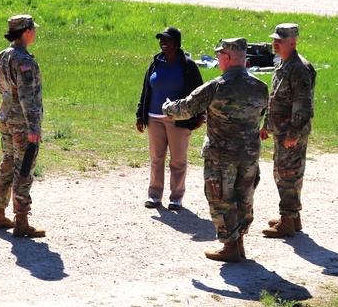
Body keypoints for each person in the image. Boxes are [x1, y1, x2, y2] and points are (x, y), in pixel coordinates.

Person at [163, 38, 268, 261]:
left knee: (220, 198)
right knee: (244, 197)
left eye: (220, 54)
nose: (218, 58)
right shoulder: (260, 87)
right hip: (249, 156)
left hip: (221, 156)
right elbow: (260, 116)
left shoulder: (217, 86)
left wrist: (166, 106)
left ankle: (230, 247)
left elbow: (186, 109)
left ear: (227, 57)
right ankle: (238, 243)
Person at [135, 27, 205, 211]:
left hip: (179, 119)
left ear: (177, 43)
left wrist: (200, 116)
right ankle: (154, 195)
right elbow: (146, 90)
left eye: (167, 40)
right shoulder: (155, 62)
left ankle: (176, 197)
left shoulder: (187, 65)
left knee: (178, 160)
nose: (163, 43)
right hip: (153, 117)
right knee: (156, 158)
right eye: (161, 39)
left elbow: (198, 93)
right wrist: (140, 115)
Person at [0, 14, 46, 238]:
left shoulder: (3, 55)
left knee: (8, 163)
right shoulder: (25, 61)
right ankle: (21, 220)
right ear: (26, 32)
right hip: (22, 123)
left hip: (6, 117)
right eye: (33, 29)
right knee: (24, 169)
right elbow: (27, 97)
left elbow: (0, 87)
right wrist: (33, 126)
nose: (35, 32)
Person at [260, 23, 316, 238]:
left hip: (291, 133)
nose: (275, 43)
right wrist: (267, 125)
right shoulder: (282, 64)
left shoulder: (299, 68)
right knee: (283, 173)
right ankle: (293, 217)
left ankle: (287, 221)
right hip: (281, 130)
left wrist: (293, 134)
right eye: (275, 39)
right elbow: (274, 98)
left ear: (293, 42)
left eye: (280, 40)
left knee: (288, 175)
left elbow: (303, 105)